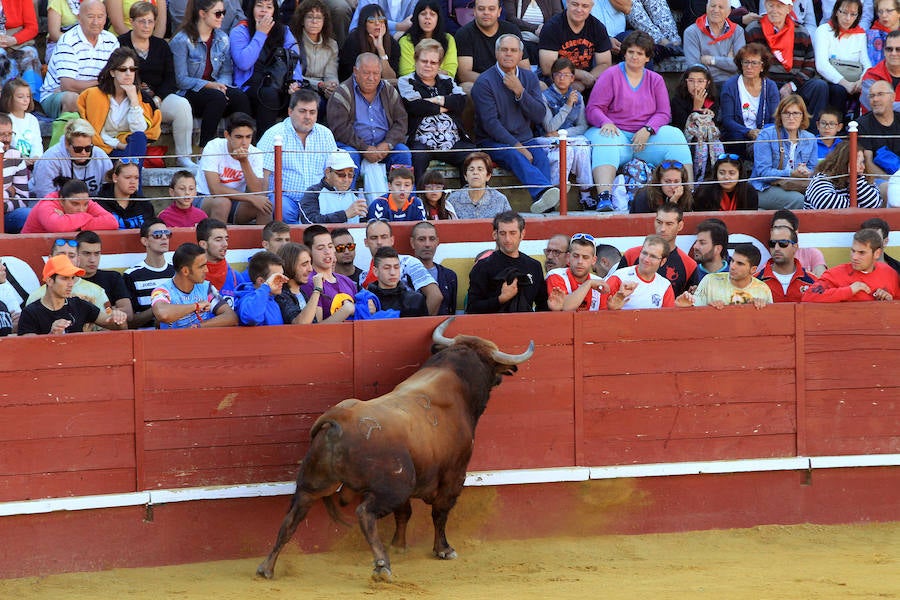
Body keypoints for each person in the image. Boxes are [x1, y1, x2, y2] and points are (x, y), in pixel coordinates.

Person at [585, 31, 693, 212]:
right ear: (624, 53)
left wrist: (648, 129)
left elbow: (663, 113)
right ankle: (604, 196)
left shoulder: (655, 79)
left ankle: (689, 192)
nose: (634, 57)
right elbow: (593, 109)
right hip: (617, 134)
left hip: (645, 138)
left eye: (640, 53)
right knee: (605, 139)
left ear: (647, 57)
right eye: (631, 52)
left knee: (675, 134)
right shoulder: (610, 75)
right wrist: (605, 122)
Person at [472, 34, 561, 214]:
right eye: (504, 50)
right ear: (496, 53)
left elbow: (539, 114)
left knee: (541, 156)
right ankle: (545, 191)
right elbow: (490, 124)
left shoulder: (529, 78)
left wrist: (520, 91)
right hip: (492, 141)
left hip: (525, 138)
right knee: (514, 155)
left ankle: (544, 203)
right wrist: (516, 145)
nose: (508, 54)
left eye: (513, 50)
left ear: (521, 55)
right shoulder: (484, 82)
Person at [118, 2, 195, 169]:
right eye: (141, 21)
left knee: (182, 105)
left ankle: (184, 156)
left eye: (150, 21)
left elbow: (170, 79)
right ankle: (135, 157)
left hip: (159, 98)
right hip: (129, 99)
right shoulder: (120, 44)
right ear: (131, 21)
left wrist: (158, 98)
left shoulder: (161, 46)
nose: (146, 26)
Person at [327, 53, 412, 200]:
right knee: (348, 157)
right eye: (366, 73)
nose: (372, 78)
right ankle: (347, 204)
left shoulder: (389, 90)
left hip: (384, 148)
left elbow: (401, 121)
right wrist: (364, 148)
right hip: (354, 146)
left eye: (376, 73)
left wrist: (387, 144)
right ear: (355, 71)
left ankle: (404, 205)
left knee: (402, 152)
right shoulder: (342, 92)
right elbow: (340, 129)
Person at [170, 0, 253, 147]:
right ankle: (205, 150)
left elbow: (227, 71)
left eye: (223, 13)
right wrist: (210, 85)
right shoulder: (181, 40)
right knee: (217, 98)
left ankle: (244, 146)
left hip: (215, 90)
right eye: (218, 13)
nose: (222, 17)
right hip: (189, 92)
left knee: (240, 97)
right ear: (202, 14)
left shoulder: (222, 38)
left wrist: (221, 86)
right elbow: (180, 80)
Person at [398, 38, 475, 180]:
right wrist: (447, 105)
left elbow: (461, 101)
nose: (428, 65)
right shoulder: (406, 81)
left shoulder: (447, 81)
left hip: (453, 140)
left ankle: (468, 199)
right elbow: (415, 106)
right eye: (424, 61)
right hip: (421, 141)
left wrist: (435, 100)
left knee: (473, 158)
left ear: (439, 64)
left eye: (433, 62)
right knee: (417, 157)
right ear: (416, 60)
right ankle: (418, 199)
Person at [259, 89, 340, 224]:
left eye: (312, 112)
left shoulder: (325, 134)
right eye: (302, 111)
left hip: (318, 199)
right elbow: (263, 175)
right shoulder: (274, 134)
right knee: (281, 206)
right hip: (286, 199)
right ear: (290, 112)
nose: (308, 116)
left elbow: (334, 170)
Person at [744, 0, 828, 129]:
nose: (774, 10)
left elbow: (810, 65)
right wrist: (769, 83)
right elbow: (749, 62)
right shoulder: (754, 29)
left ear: (789, 9)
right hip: (765, 82)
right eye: (771, 6)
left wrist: (791, 86)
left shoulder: (801, 32)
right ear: (765, 6)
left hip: (795, 83)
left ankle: (811, 134)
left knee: (819, 86)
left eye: (779, 6)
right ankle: (768, 132)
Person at [77, 47, 161, 173]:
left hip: (130, 150)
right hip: (102, 149)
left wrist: (133, 100)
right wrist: (118, 145)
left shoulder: (140, 97)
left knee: (139, 137)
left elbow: (139, 130)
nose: (128, 73)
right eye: (123, 69)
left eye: (132, 69)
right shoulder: (95, 95)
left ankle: (130, 183)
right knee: (128, 161)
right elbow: (96, 131)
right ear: (112, 72)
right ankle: (133, 187)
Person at [230, 0, 304, 136]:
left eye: (269, 7)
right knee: (268, 95)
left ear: (274, 11)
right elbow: (244, 63)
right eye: (259, 6)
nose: (264, 10)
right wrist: (260, 34)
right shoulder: (240, 31)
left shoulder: (284, 31)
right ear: (252, 8)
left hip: (280, 82)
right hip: (250, 84)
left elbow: (294, 59)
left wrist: (296, 82)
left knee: (303, 96)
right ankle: (264, 145)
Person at [40, 0, 120, 119]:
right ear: (79, 18)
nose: (96, 22)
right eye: (90, 17)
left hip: (97, 93)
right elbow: (68, 85)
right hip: (56, 96)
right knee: (74, 99)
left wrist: (105, 84)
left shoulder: (111, 40)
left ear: (106, 18)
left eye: (100, 17)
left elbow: (117, 77)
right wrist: (103, 82)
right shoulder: (68, 41)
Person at [537, 57, 596, 210]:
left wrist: (563, 134)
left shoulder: (578, 97)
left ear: (572, 77)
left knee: (583, 146)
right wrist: (568, 105)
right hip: (546, 140)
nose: (562, 78)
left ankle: (586, 194)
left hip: (567, 138)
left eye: (566, 75)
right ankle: (557, 193)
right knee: (567, 150)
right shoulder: (545, 96)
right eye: (558, 74)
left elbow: (583, 126)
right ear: (553, 76)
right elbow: (549, 127)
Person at [17, 254, 128, 335]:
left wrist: (119, 319)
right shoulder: (30, 313)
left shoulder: (80, 304)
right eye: (65, 278)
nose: (71, 284)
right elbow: (28, 350)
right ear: (50, 281)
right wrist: (51, 335)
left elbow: (118, 327)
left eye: (72, 278)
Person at [466, 210, 548, 313]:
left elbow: (542, 304)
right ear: (495, 235)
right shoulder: (483, 267)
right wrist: (501, 299)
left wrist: (554, 307)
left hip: (526, 326)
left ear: (522, 234)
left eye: (513, 233)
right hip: (492, 327)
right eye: (503, 233)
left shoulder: (534, 266)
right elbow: (472, 308)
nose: (508, 239)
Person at [23, 237, 113, 330]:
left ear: (78, 260)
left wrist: (118, 318)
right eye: (61, 255)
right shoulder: (35, 297)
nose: (66, 259)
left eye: (71, 256)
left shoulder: (96, 291)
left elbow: (110, 325)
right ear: (50, 259)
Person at [196, 112, 271, 225]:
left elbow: (257, 191)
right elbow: (215, 189)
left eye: (248, 137)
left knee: (265, 206)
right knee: (223, 202)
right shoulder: (213, 146)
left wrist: (244, 162)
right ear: (227, 135)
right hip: (205, 198)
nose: (244, 142)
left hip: (236, 200)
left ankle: (264, 243)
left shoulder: (255, 153)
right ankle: (218, 241)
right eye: (239, 137)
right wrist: (250, 198)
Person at [360, 218, 443, 313]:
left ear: (392, 240)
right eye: (374, 238)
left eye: (384, 237)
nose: (379, 242)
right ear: (366, 242)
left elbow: (435, 295)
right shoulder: (363, 275)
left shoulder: (409, 262)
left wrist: (422, 324)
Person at [751, 94, 818, 209]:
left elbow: (813, 170)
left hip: (796, 185)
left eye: (796, 113)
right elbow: (763, 173)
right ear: (780, 115)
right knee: (799, 201)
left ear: (803, 116)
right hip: (764, 188)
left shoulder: (810, 138)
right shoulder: (766, 135)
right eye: (786, 113)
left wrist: (805, 172)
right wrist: (791, 173)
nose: (791, 117)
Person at [150, 242, 239, 328]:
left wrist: (199, 326)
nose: (206, 270)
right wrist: (196, 306)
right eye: (201, 266)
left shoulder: (206, 287)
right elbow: (163, 314)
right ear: (185, 271)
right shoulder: (162, 291)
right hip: (171, 342)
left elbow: (231, 317)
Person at [619, 203, 698, 296]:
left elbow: (691, 302)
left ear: (680, 226)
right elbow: (613, 290)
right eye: (659, 222)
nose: (662, 229)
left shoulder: (689, 265)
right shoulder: (631, 255)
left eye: (669, 224)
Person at [802, 228, 900, 302]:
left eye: (861, 253)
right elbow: (809, 296)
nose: (854, 257)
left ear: (877, 253)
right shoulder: (835, 274)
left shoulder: (889, 273)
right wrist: (849, 290)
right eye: (853, 251)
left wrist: (889, 301)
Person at [719, 43, 780, 157]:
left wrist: (762, 134)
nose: (749, 67)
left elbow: (775, 118)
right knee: (736, 139)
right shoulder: (730, 86)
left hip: (763, 135)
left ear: (762, 66)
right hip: (738, 135)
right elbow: (727, 120)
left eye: (754, 63)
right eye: (746, 62)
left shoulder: (770, 86)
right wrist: (748, 132)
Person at [537, 0, 611, 93]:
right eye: (575, 4)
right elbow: (547, 68)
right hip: (554, 81)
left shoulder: (597, 27)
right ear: (567, 3)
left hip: (585, 82)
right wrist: (579, 75)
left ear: (591, 7)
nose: (579, 9)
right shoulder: (552, 27)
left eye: (585, 6)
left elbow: (605, 64)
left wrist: (586, 81)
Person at [30, 118, 112, 200]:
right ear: (67, 144)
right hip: (50, 205)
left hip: (89, 206)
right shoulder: (50, 159)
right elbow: (45, 196)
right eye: (78, 149)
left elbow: (109, 189)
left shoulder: (100, 156)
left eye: (88, 148)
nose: (83, 153)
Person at [455, 0, 527, 93]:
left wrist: (514, 84)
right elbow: (464, 74)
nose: (486, 12)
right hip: (482, 84)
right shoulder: (464, 34)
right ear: (474, 11)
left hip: (512, 81)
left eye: (491, 9)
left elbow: (525, 67)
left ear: (499, 12)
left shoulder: (512, 30)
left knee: (541, 85)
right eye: (481, 9)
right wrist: (497, 83)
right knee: (467, 88)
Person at [815, 0, 871, 113]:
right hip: (831, 82)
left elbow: (867, 64)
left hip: (855, 81)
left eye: (853, 14)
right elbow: (821, 65)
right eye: (844, 12)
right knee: (838, 90)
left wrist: (860, 81)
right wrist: (846, 84)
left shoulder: (860, 34)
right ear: (836, 11)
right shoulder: (824, 30)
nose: (848, 18)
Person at [679, 243, 772, 308]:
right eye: (732, 261)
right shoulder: (709, 281)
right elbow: (692, 312)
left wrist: (762, 309)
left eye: (740, 263)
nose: (733, 266)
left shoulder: (763, 289)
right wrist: (709, 309)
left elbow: (769, 322)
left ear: (753, 269)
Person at [670, 65, 723, 180]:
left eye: (700, 81)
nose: (696, 85)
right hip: (688, 140)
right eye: (691, 81)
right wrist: (696, 109)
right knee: (700, 148)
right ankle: (697, 180)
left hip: (709, 139)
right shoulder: (678, 100)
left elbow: (716, 125)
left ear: (707, 83)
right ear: (686, 82)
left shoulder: (713, 99)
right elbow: (683, 127)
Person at [123, 218, 177, 328]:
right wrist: (157, 309)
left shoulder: (177, 271)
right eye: (157, 235)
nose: (164, 238)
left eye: (167, 234)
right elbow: (130, 321)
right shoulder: (131, 275)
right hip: (144, 339)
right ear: (145, 241)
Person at [235, 250, 311, 325]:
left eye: (282, 275)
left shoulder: (274, 298)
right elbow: (251, 317)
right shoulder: (246, 299)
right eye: (277, 277)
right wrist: (266, 287)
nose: (283, 280)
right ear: (261, 281)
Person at [73, 230, 135, 322]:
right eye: (87, 253)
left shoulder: (113, 278)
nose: (92, 260)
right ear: (75, 254)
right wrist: (110, 310)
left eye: (97, 253)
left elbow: (129, 314)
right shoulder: (67, 280)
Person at [301, 224, 359, 320]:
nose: (327, 251)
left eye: (330, 246)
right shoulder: (309, 283)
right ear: (309, 251)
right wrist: (345, 310)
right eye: (320, 248)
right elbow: (316, 328)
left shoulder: (347, 281)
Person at [291, 0, 339, 112]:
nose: (314, 21)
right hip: (300, 87)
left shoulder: (332, 45)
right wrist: (320, 84)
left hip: (322, 89)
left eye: (318, 18)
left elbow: (331, 74)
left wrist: (332, 86)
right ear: (302, 20)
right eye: (310, 17)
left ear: (324, 22)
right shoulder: (294, 42)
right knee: (318, 104)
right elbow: (294, 76)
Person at [683, 0, 746, 86]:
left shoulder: (737, 31)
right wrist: (727, 62)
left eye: (721, 7)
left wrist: (711, 60)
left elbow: (739, 64)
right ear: (706, 7)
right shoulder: (691, 32)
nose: (716, 10)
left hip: (732, 85)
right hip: (705, 85)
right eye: (713, 6)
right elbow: (695, 68)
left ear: (729, 12)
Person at [275, 241, 340, 323]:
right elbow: (301, 323)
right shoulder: (280, 294)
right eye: (304, 264)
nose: (310, 269)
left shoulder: (302, 292)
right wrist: (317, 290)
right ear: (289, 265)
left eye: (310, 263)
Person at [21, 179, 119, 234]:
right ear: (62, 200)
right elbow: (57, 226)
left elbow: (112, 222)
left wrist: (74, 225)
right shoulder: (47, 203)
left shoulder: (84, 201)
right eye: (74, 204)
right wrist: (88, 216)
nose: (81, 209)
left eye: (85, 205)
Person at [297, 149, 367, 224]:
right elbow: (310, 222)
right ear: (327, 172)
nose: (346, 180)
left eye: (350, 175)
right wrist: (344, 215)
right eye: (341, 175)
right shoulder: (313, 193)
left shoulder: (355, 195)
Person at [606, 234, 676, 310]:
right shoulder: (619, 277)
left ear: (663, 261)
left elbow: (668, 317)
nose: (646, 259)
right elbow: (599, 311)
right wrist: (611, 309)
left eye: (653, 256)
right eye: (644, 253)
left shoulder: (665, 286)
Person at [805, 142, 883, 209]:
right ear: (844, 163)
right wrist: (859, 207)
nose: (863, 167)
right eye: (858, 163)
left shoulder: (863, 180)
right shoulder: (821, 180)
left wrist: (856, 179)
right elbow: (828, 205)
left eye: (862, 162)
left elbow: (873, 205)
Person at [546, 233, 609, 311]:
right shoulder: (556, 275)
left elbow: (603, 316)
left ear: (594, 260)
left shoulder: (599, 282)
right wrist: (588, 284)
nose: (580, 261)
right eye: (575, 256)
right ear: (568, 257)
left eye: (585, 257)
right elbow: (566, 307)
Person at [858, 79, 900, 198]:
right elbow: (867, 162)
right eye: (871, 96)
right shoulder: (862, 124)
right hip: (878, 178)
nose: (875, 99)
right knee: (890, 189)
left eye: (880, 94)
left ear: (892, 97)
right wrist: (894, 180)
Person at [338, 4, 400, 82]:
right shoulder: (353, 41)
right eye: (371, 20)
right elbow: (348, 75)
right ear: (364, 23)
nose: (377, 23)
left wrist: (381, 49)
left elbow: (391, 79)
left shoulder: (392, 43)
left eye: (381, 19)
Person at [755, 224, 816, 302]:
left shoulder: (813, 281)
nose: (776, 248)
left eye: (783, 243)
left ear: (795, 247)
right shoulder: (754, 282)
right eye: (772, 243)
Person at [398, 0, 458, 77]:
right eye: (423, 14)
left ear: (438, 18)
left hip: (442, 85)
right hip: (414, 85)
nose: (427, 17)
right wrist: (436, 73)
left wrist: (423, 72)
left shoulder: (448, 39)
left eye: (432, 14)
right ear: (416, 17)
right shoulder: (406, 41)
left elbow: (450, 71)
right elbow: (406, 72)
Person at [446, 152, 512, 219]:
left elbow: (509, 225)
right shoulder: (453, 200)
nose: (475, 173)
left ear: (488, 176)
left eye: (480, 169)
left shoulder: (500, 200)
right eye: (471, 169)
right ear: (465, 176)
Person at [410, 220, 457, 314]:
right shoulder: (402, 274)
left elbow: (451, 311)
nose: (427, 244)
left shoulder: (449, 276)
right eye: (421, 239)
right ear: (412, 242)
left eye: (432, 239)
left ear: (437, 242)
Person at [196, 217, 246, 304]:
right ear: (203, 244)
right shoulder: (191, 277)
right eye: (218, 240)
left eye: (226, 239)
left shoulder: (236, 277)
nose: (225, 244)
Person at [367, 246, 428, 317]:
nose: (392, 273)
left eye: (396, 267)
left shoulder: (415, 300)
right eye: (387, 268)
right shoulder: (366, 300)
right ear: (375, 271)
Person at [96, 160, 155, 229]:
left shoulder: (145, 204)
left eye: (136, 178)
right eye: (127, 177)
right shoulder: (99, 204)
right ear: (115, 178)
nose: (133, 182)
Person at [771, 208, 827, 276]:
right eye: (776, 229)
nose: (780, 232)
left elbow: (822, 281)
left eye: (785, 229)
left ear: (796, 233)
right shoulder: (771, 261)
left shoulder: (812, 254)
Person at [0, 0, 41, 91]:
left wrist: (14, 39)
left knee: (30, 54)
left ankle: (31, 97)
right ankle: (7, 97)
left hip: (18, 41)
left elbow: (32, 27)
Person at [693, 153, 759, 210]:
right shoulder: (705, 191)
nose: (726, 177)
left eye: (732, 173)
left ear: (740, 174)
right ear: (716, 173)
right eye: (722, 173)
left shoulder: (749, 192)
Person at [0, 113, 31, 233]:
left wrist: (2, 207)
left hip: (7, 215)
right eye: (2, 134)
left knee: (28, 215)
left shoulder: (16, 155)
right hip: (6, 204)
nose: (7, 139)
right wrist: (8, 193)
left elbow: (23, 199)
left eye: (9, 134)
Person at [0, 78, 42, 164]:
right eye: (20, 97)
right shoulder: (5, 120)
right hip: (13, 163)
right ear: (9, 98)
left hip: (32, 164)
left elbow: (37, 143)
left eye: (28, 96)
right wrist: (20, 158)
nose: (26, 100)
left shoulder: (32, 119)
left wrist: (36, 157)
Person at [861, 29, 900, 112]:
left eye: (898, 49)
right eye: (889, 49)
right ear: (884, 51)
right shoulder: (870, 76)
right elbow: (877, 107)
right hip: (876, 123)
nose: (893, 53)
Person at [688, 218, 730, 284]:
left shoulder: (735, 276)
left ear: (718, 249)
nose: (695, 246)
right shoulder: (689, 274)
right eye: (696, 242)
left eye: (702, 243)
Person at [867, 0, 900, 66]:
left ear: (899, 12)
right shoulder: (872, 36)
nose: (884, 15)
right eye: (880, 11)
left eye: (889, 11)